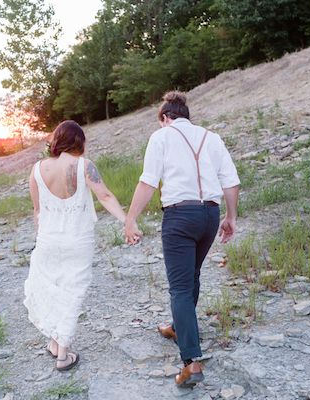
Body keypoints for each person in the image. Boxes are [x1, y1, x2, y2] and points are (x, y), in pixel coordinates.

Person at [124, 91, 240, 387]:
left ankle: (191, 362)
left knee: (179, 288)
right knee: (193, 275)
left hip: (179, 216)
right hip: (209, 216)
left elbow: (149, 180)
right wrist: (231, 217)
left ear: (165, 118)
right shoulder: (211, 137)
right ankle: (178, 327)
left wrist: (131, 218)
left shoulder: (161, 137)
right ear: (185, 115)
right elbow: (230, 181)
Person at [24, 120, 137, 371]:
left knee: (54, 288)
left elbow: (37, 210)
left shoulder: (36, 169)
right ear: (79, 141)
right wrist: (127, 222)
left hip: (48, 240)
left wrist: (40, 240)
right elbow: (105, 196)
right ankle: (63, 355)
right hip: (77, 240)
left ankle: (54, 344)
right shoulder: (85, 166)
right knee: (71, 292)